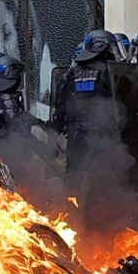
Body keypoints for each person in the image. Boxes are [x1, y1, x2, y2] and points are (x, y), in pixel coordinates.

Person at [52, 29, 115, 172]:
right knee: (100, 177)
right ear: (102, 48)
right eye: (111, 48)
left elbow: (62, 101)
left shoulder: (75, 72)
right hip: (100, 136)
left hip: (76, 134)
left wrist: (57, 126)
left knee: (75, 174)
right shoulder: (109, 71)